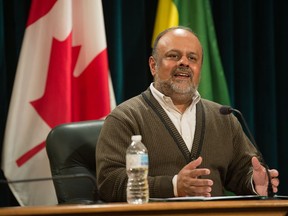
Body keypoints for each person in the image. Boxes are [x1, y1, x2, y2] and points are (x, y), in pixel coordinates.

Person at [96, 26, 279, 202]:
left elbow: (242, 172)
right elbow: (109, 182)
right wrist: (173, 186)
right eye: (173, 56)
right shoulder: (125, 117)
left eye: (192, 58)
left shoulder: (224, 118)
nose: (184, 62)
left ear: (200, 68)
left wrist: (255, 183)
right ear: (153, 65)